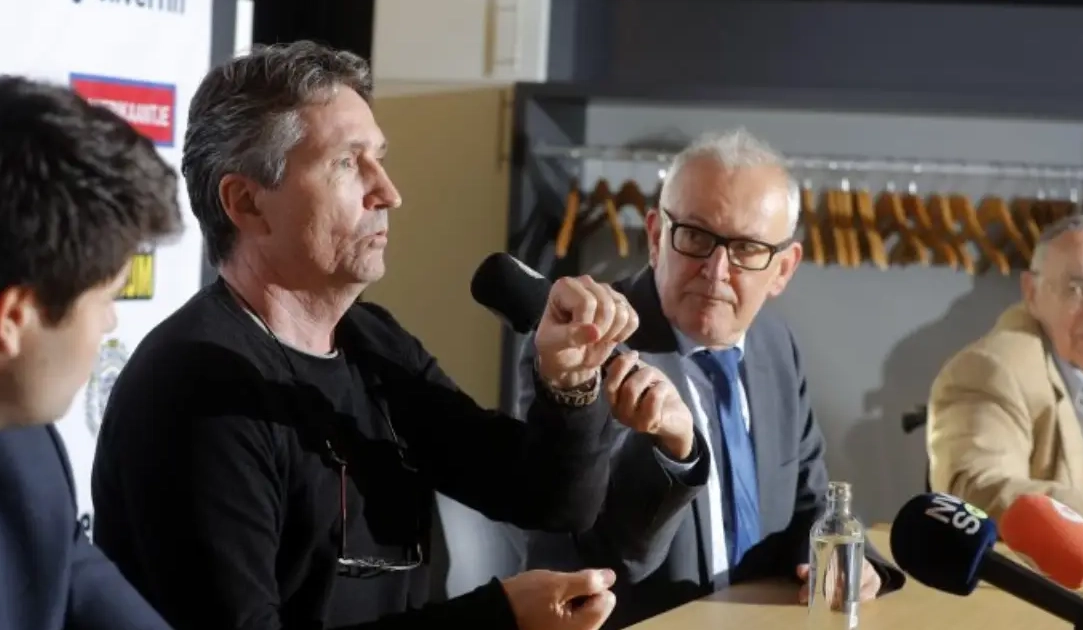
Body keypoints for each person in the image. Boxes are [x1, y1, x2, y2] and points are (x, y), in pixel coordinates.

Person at [90, 40, 702, 630]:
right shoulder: (193, 390)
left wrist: (568, 383)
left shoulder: (370, 341)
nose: (388, 192)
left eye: (379, 159)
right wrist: (499, 619)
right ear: (247, 204)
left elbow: (548, 499)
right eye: (346, 163)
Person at [518, 128, 906, 627]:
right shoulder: (583, 347)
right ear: (656, 237)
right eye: (696, 237)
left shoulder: (775, 346)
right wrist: (672, 454)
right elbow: (601, 559)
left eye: (746, 248)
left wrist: (855, 561)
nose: (716, 270)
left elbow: (807, 501)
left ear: (783, 269)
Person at [0, 76, 181, 628]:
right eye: (106, 298)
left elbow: (65, 568)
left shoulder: (19, 450)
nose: (111, 322)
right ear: (15, 317)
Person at [929, 214, 1083, 551]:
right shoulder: (991, 370)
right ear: (1031, 292)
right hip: (1077, 573)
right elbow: (978, 489)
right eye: (1077, 290)